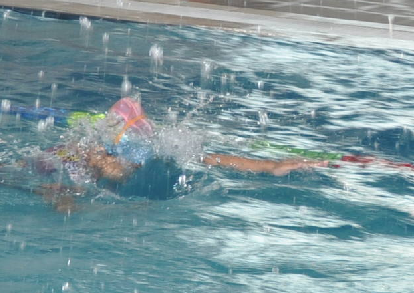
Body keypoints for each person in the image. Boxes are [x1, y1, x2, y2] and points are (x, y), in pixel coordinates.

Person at [24, 97, 324, 210]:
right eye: (127, 162)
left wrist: (270, 166)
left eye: (137, 163)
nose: (134, 167)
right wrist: (119, 210)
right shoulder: (72, 165)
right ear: (101, 154)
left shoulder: (140, 155)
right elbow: (64, 206)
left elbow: (209, 158)